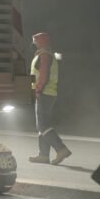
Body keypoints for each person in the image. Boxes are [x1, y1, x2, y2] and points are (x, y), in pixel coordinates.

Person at [28, 31, 71, 165]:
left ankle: (61, 149)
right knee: (44, 125)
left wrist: (38, 89)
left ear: (41, 42)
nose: (33, 44)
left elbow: (43, 75)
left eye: (35, 41)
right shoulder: (46, 54)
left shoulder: (45, 55)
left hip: (44, 93)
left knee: (42, 125)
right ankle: (43, 155)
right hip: (48, 93)